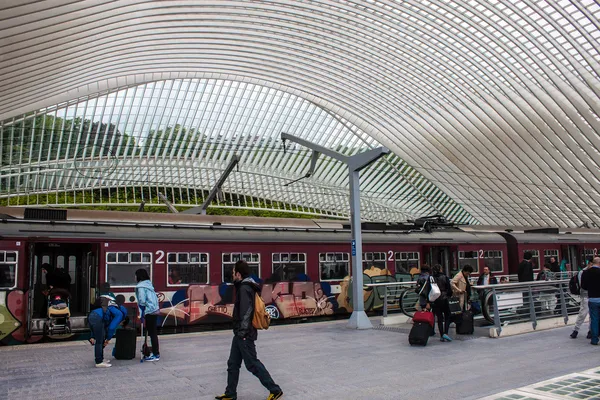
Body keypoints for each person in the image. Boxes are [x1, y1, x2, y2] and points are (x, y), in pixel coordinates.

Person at [215, 260, 283, 400]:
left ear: (238, 274)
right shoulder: (244, 286)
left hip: (244, 333)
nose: (232, 275)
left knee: (252, 363)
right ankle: (230, 394)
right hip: (240, 332)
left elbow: (246, 312)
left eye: (233, 272)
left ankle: (275, 390)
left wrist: (242, 332)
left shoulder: (245, 288)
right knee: (233, 364)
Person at [88, 295, 129, 368]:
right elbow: (111, 328)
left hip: (93, 315)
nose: (119, 324)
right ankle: (99, 362)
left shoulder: (113, 309)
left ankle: (101, 358)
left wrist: (92, 336)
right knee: (100, 341)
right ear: (124, 320)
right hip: (97, 318)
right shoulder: (119, 314)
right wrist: (108, 339)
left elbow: (104, 327)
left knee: (100, 338)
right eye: (121, 323)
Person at [135, 268, 160, 362]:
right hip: (155, 310)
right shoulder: (149, 284)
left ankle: (155, 354)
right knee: (153, 332)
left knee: (152, 333)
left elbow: (142, 300)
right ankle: (155, 352)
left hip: (149, 311)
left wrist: (142, 313)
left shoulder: (141, 286)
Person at [571, 257, 592, 339]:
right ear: (590, 263)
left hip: (593, 295)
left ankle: (591, 330)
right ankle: (576, 329)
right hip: (586, 295)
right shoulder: (582, 272)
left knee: (592, 314)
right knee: (583, 313)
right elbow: (581, 284)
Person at [581, 257, 600, 346]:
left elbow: (583, 286)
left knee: (594, 319)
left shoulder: (586, 272)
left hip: (592, 299)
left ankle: (594, 339)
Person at [432, 264, 452, 342]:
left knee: (439, 318)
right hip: (444, 298)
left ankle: (441, 335)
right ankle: (446, 333)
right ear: (440, 269)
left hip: (435, 299)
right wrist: (448, 295)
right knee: (447, 316)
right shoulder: (445, 277)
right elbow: (449, 290)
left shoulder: (432, 278)